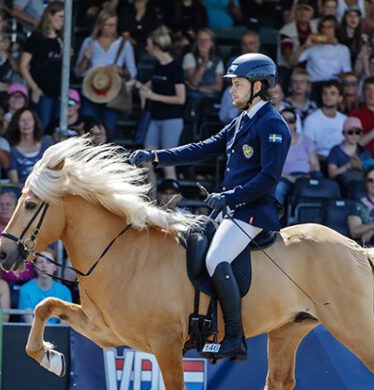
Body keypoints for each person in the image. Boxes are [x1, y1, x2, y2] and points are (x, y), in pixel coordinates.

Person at [128, 53, 289, 361]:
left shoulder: (272, 125)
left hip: (252, 212)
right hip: (232, 209)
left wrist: (229, 197)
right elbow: (203, 148)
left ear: (258, 86)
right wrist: (156, 157)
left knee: (216, 259)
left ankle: (234, 337)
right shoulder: (243, 121)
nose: (232, 90)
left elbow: (269, 179)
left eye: (239, 84)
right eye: (233, 85)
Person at [75, 9, 138, 135]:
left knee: (108, 132)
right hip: (90, 92)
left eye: (114, 25)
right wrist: (86, 59)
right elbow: (77, 72)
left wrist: (119, 70)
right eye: (108, 25)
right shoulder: (89, 42)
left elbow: (132, 71)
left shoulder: (124, 44)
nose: (111, 28)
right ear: (100, 25)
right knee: (88, 132)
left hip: (113, 94)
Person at [136, 25, 186, 183]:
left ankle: (172, 201)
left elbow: (180, 98)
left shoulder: (175, 68)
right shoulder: (158, 65)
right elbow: (154, 84)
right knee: (146, 161)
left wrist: (153, 96)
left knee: (167, 163)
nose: (147, 48)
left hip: (171, 119)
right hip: (156, 118)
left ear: (156, 47)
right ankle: (152, 197)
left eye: (149, 45)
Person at [20, 2, 67, 134]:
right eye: (60, 16)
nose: (63, 21)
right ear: (49, 16)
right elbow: (23, 66)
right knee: (42, 127)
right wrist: (35, 88)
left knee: (57, 129)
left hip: (59, 93)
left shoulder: (62, 39)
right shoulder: (36, 38)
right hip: (42, 92)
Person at [276, 108, 320, 206]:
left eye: (291, 120)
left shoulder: (306, 140)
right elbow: (270, 167)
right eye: (283, 120)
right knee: (278, 188)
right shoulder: (274, 141)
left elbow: (315, 166)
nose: (287, 123)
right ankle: (276, 219)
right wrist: (290, 177)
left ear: (295, 124)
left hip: (305, 177)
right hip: (284, 178)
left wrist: (306, 176)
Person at [18, 247, 72, 324]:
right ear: (35, 267)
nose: (44, 265)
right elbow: (29, 323)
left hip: (56, 334)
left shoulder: (64, 291)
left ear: (55, 267)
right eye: (40, 262)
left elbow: (63, 326)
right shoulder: (25, 289)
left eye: (49, 262)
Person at [295, 15, 351, 83]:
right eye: (323, 27)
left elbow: (347, 73)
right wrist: (305, 46)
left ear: (335, 30)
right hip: (314, 84)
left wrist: (337, 76)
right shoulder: (312, 47)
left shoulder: (343, 49)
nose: (325, 30)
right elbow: (292, 62)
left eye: (329, 27)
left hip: (334, 84)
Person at [303, 80, 347, 163]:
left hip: (341, 161)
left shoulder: (345, 120)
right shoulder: (311, 120)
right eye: (325, 93)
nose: (328, 96)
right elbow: (306, 149)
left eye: (332, 93)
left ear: (340, 98)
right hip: (319, 162)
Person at [5, 108, 52, 184]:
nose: (26, 123)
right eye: (22, 120)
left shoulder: (46, 144)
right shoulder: (12, 151)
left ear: (35, 122)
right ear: (16, 124)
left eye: (29, 120)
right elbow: (14, 181)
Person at [326, 116, 371, 194]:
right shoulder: (335, 151)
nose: (354, 135)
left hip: (363, 188)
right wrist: (348, 166)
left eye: (357, 132)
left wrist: (361, 166)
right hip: (342, 189)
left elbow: (372, 173)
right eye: (350, 132)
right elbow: (332, 174)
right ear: (343, 133)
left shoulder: (364, 151)